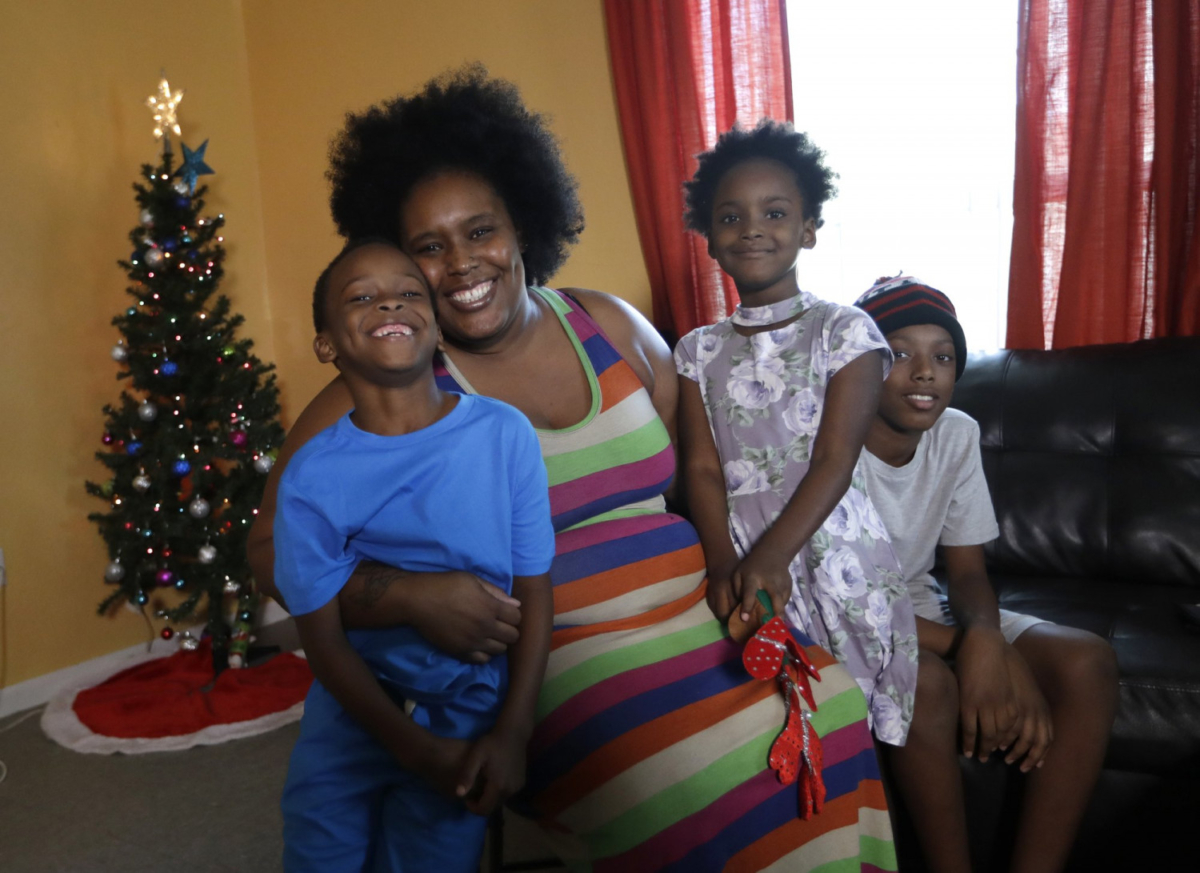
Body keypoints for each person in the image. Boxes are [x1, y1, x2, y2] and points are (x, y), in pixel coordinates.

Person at [249, 67, 897, 870]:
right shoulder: (390, 386)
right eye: (428, 247)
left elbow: (703, 476)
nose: (462, 263)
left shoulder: (608, 325)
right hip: (552, 655)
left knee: (832, 704)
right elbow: (269, 549)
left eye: (480, 231)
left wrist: (744, 578)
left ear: (522, 225)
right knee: (700, 768)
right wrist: (405, 595)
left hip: (697, 615)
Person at [274, 238, 555, 873]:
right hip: (349, 716)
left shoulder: (504, 434)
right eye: (362, 297)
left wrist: (514, 731)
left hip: (467, 715)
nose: (389, 303)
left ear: (438, 328)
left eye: (408, 292)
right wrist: (412, 749)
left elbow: (535, 589)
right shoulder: (310, 476)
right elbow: (321, 638)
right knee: (319, 856)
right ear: (326, 345)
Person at [854, 276, 1118, 873]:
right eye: (900, 353)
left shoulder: (957, 432)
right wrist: (978, 651)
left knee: (1087, 661)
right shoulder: (827, 442)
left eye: (943, 357)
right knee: (929, 684)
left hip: (922, 605)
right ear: (861, 363)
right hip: (849, 617)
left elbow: (968, 572)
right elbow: (844, 601)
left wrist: (988, 637)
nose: (925, 372)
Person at [674, 120, 919, 747]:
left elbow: (835, 460)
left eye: (775, 212)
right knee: (788, 726)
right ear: (709, 239)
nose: (752, 228)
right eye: (731, 217)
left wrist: (773, 555)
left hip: (834, 553)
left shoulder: (846, 331)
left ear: (808, 229)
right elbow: (701, 468)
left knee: (858, 719)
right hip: (741, 554)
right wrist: (723, 562)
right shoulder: (696, 351)